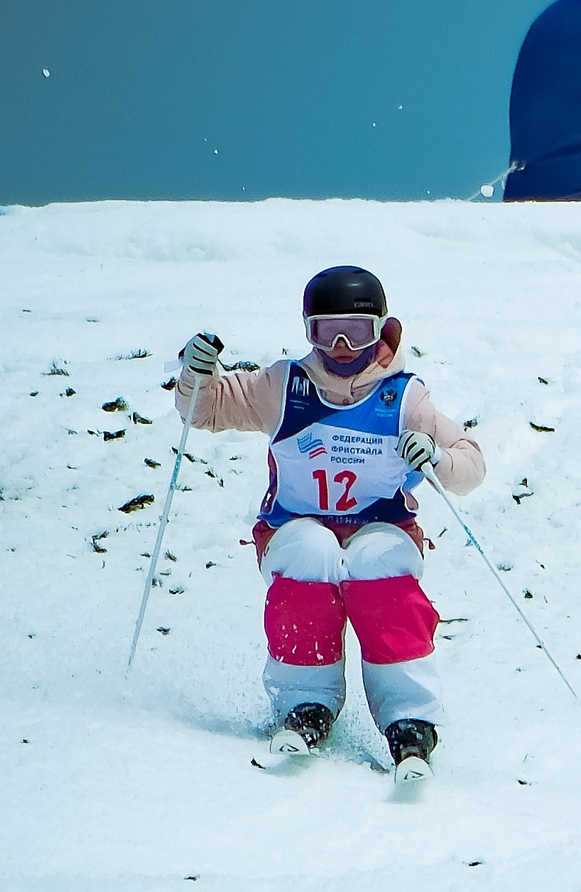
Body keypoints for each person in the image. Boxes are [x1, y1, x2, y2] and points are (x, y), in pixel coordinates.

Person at [173, 266, 484, 778]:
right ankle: (305, 703)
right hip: (294, 526)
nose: (341, 345)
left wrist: (436, 456)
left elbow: (469, 464)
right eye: (325, 330)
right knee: (310, 551)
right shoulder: (283, 385)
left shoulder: (403, 396)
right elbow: (204, 411)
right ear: (308, 330)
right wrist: (194, 374)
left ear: (381, 329)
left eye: (356, 331)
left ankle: (410, 719)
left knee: (376, 562)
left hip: (380, 526)